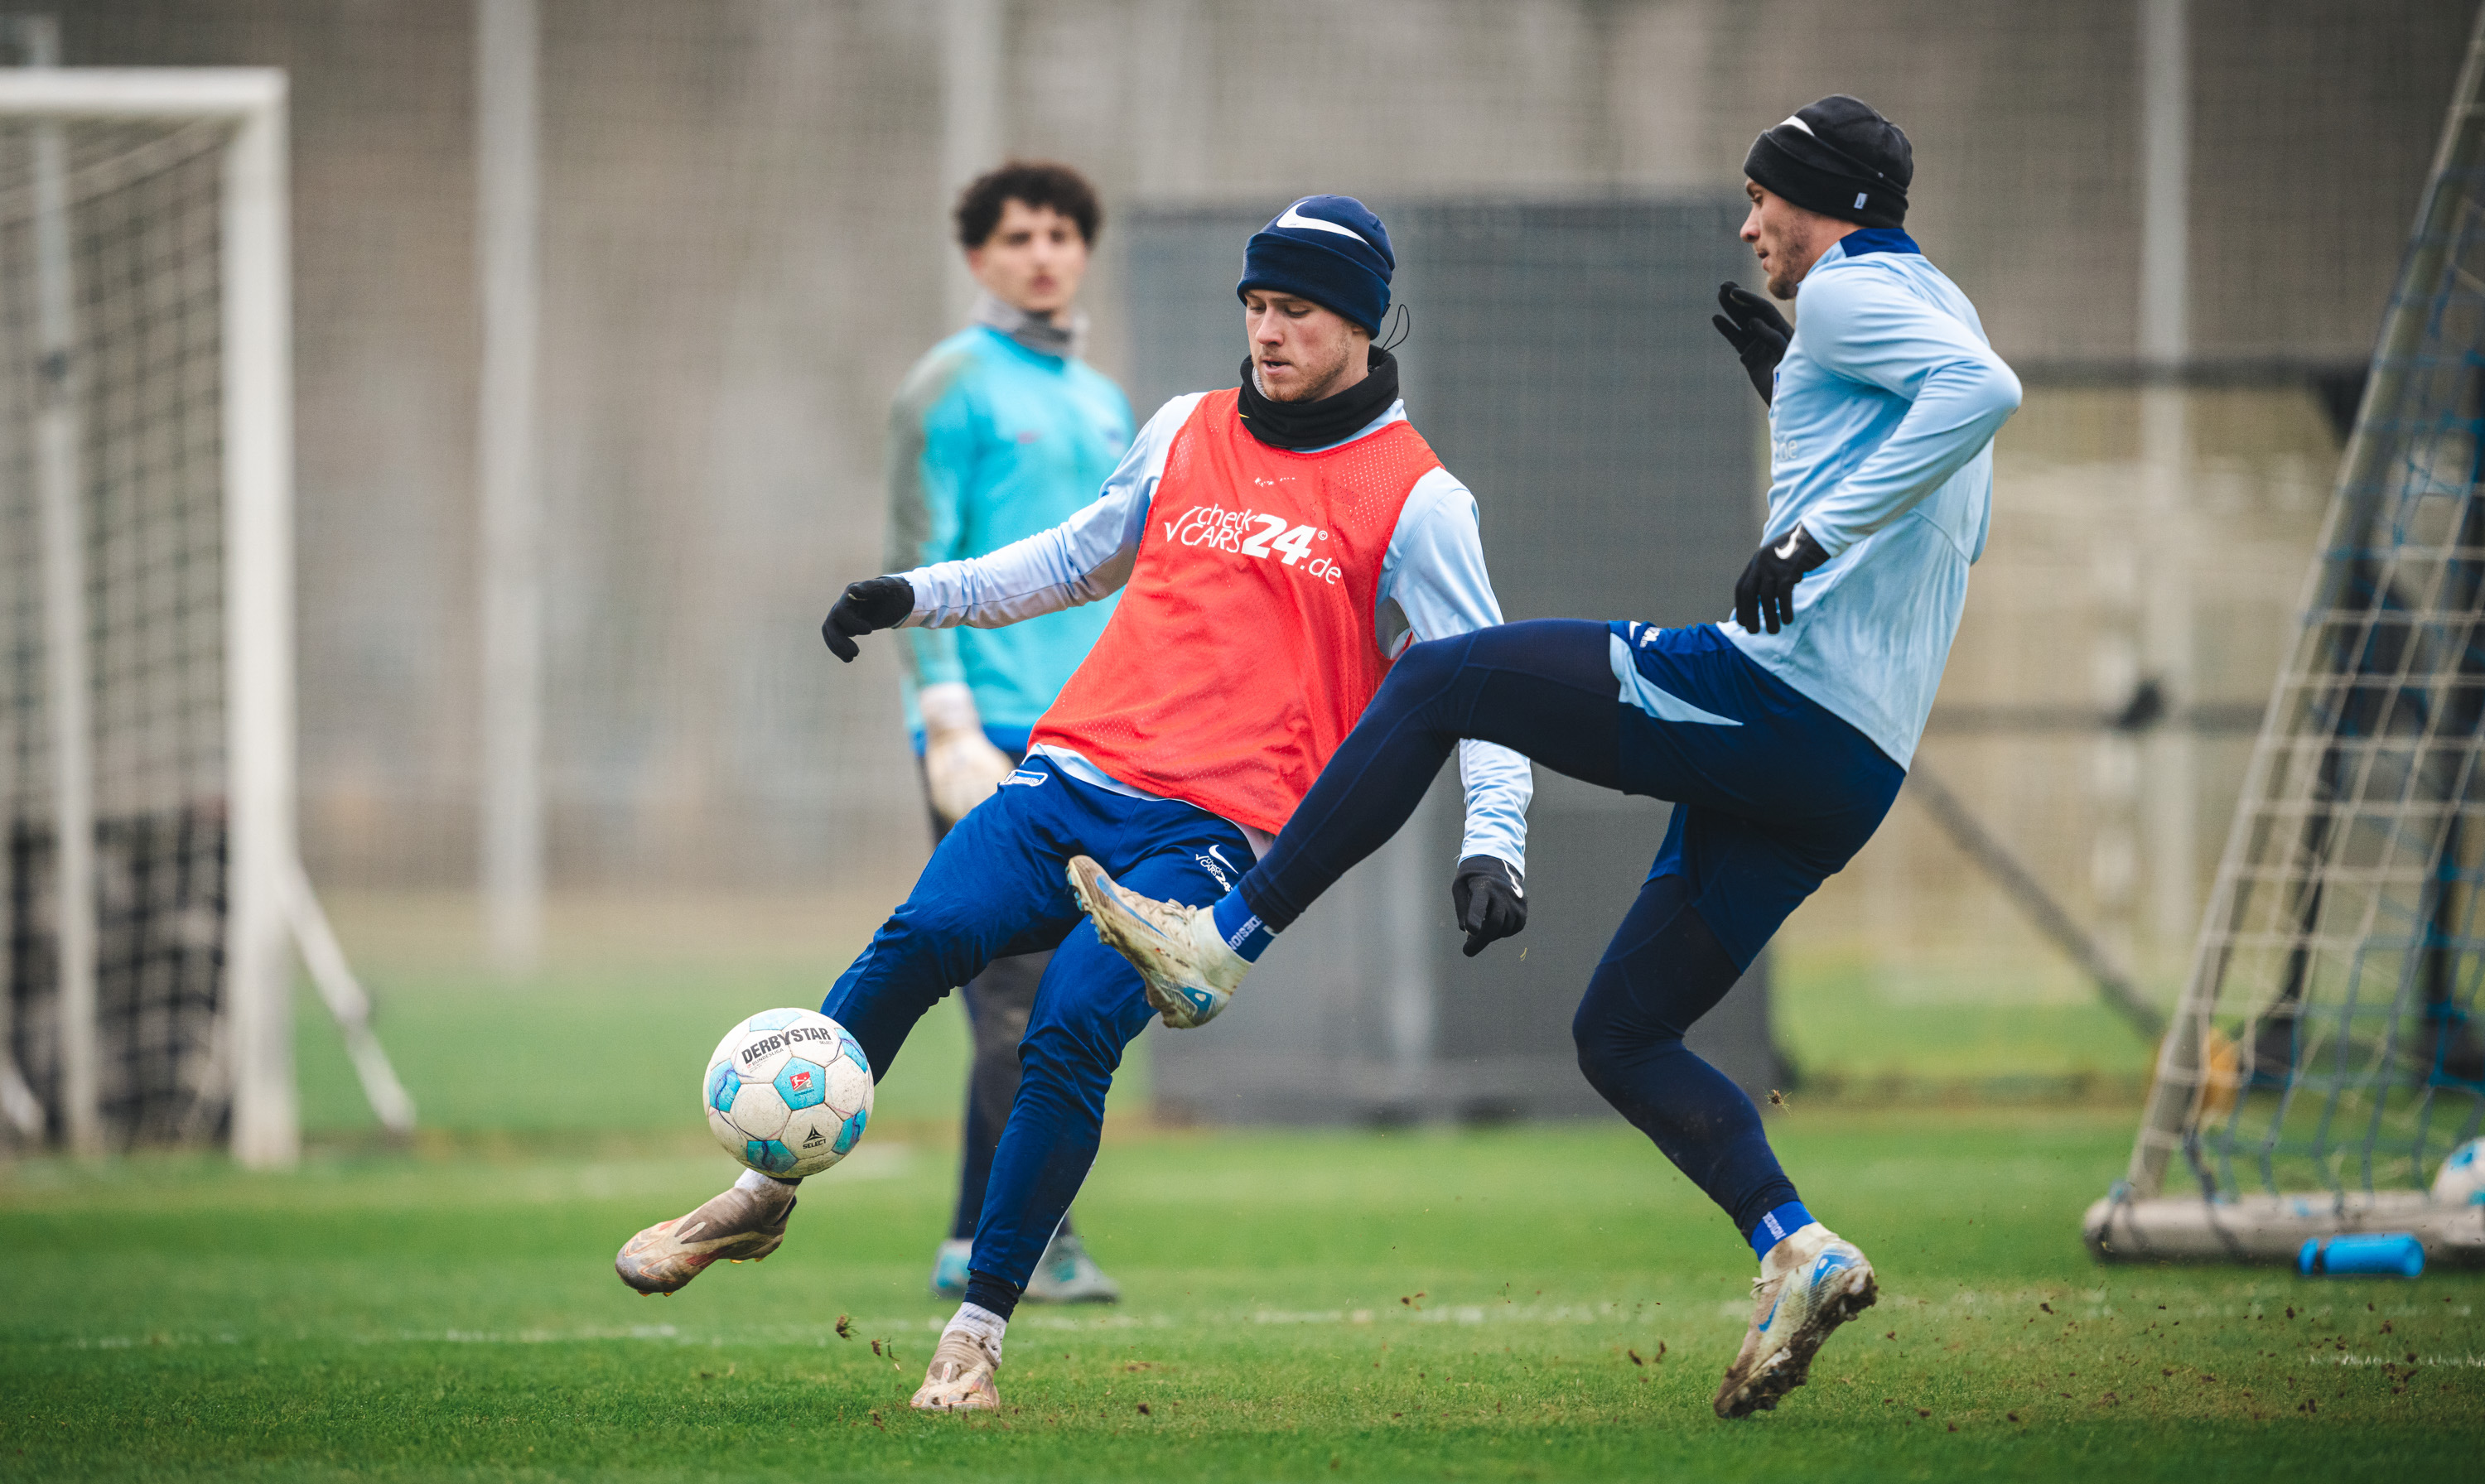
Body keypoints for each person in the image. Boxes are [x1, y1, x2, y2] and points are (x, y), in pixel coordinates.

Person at [1072, 95, 2021, 1421]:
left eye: (1767, 199)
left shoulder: (1859, 292)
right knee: (1621, 1032)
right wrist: (1797, 402)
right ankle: (1798, 1250)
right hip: (1853, 769)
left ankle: (1220, 945)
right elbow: (1945, 475)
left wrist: (1812, 533)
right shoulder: (1927, 301)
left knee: (1448, 670)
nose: (1750, 224)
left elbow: (1986, 398)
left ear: (1831, 205)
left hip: (1777, 702)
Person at [615, 195, 1534, 1413]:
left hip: (1217, 835)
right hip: (1069, 778)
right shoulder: (1186, 429)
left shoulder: (1419, 497)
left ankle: (979, 1331)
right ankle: (766, 1194)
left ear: (1362, 323)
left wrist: (1496, 839)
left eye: (1296, 311)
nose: (1266, 332)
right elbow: (1067, 556)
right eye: (1255, 306)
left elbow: (1485, 683)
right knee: (925, 936)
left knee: (1068, 1027)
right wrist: (913, 594)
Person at [885, 161, 1131, 1306]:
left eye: (1061, 233)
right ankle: (1023, 1241)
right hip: (984, 731)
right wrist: (943, 722)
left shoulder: (1103, 400)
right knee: (1016, 994)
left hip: (1093, 736)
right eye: (1019, 235)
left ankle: (977, 1235)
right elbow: (920, 557)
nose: (1043, 253)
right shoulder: (945, 387)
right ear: (979, 256)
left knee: (1077, 989)